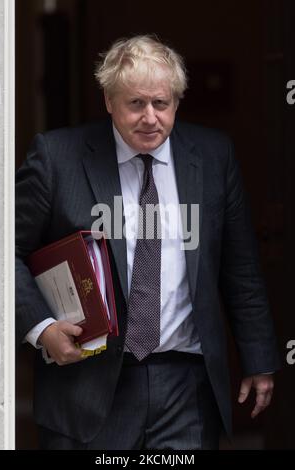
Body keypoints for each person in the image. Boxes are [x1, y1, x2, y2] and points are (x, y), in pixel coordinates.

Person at [16, 35, 280, 450]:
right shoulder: (57, 157)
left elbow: (240, 267)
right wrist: (42, 328)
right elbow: (3, 252)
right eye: (135, 104)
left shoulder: (213, 156)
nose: (150, 118)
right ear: (108, 100)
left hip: (187, 386)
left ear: (176, 100)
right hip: (89, 384)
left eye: (161, 103)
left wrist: (259, 358)